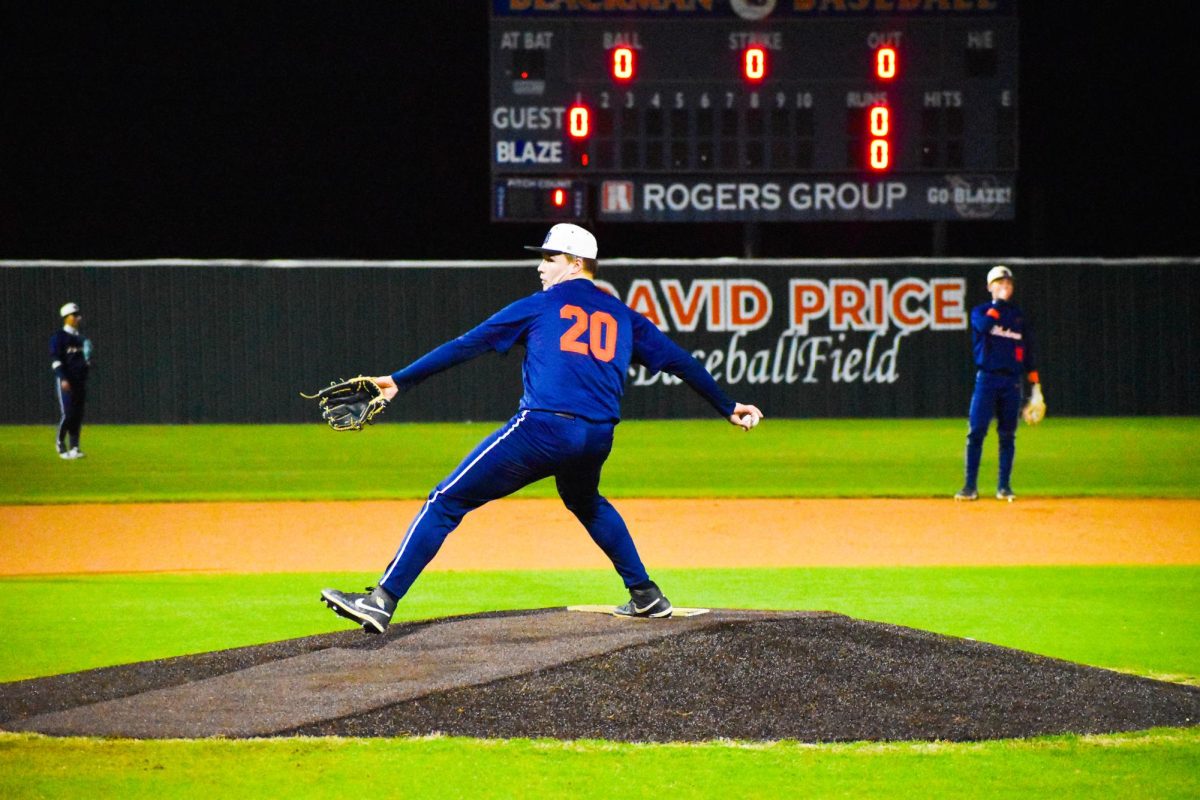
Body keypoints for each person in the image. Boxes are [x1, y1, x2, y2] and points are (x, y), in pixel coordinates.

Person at [322, 223, 763, 633]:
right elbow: (681, 362)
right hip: (597, 436)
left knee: (446, 500)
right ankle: (646, 594)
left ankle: (380, 600)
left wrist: (401, 380)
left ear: (575, 263)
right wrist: (727, 407)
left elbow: (465, 346)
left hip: (544, 429)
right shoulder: (625, 316)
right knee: (585, 501)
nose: (540, 265)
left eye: (549, 258)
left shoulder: (540, 306)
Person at [955, 265, 1042, 502]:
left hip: (1011, 382)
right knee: (976, 432)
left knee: (1007, 435)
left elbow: (1028, 352)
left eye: (1008, 283)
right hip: (987, 378)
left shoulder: (1018, 316)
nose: (1005, 286)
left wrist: (1036, 386)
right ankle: (970, 487)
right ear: (990, 287)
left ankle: (1004, 487)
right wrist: (998, 305)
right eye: (1000, 283)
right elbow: (983, 328)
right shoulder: (981, 312)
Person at [50, 302, 93, 460]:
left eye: (77, 315)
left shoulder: (81, 339)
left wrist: (88, 362)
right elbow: (55, 359)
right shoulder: (59, 337)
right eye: (74, 315)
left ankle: (75, 447)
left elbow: (85, 360)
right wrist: (62, 377)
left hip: (80, 381)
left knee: (77, 415)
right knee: (68, 414)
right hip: (67, 381)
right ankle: (60, 444)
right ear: (66, 318)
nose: (77, 318)